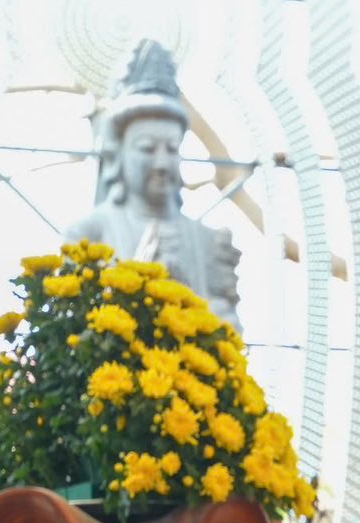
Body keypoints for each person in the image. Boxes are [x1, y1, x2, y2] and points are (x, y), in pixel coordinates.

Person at [66, 41, 240, 324]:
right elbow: (73, 328)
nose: (161, 163)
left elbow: (230, 334)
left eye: (171, 149)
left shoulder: (208, 243)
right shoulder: (88, 234)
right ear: (117, 154)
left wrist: (185, 300)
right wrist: (138, 289)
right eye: (147, 148)